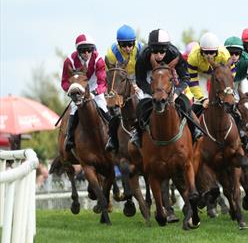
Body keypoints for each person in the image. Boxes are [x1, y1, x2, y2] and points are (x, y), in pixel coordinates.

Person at [133, 29, 202, 147]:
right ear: (150, 49)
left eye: (162, 51)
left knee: (186, 103)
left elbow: (185, 78)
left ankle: (195, 129)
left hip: (168, 83)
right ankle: (137, 134)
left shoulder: (174, 54)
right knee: (141, 106)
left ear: (167, 48)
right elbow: (140, 80)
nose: (159, 55)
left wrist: (176, 93)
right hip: (152, 80)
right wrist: (154, 92)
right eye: (155, 51)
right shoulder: (143, 56)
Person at [61, 34, 116, 152]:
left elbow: (102, 83)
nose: (86, 53)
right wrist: (71, 90)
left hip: (93, 85)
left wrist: (94, 93)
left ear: (93, 49)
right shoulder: (69, 61)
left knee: (102, 105)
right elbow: (64, 82)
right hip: (77, 86)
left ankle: (113, 136)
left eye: (89, 50)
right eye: (83, 50)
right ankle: (70, 138)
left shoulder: (98, 60)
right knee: (74, 107)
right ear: (78, 51)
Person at [104, 24, 143, 152]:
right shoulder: (111, 53)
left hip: (138, 75)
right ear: (118, 44)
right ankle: (113, 138)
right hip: (121, 78)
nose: (127, 48)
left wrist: (139, 84)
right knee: (112, 105)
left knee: (144, 99)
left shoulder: (141, 49)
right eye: (124, 45)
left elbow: (146, 69)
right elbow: (111, 75)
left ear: (134, 42)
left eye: (130, 44)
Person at [187, 32, 235, 112]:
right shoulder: (193, 57)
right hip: (201, 74)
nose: (209, 56)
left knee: (231, 98)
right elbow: (193, 81)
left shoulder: (224, 54)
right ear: (201, 50)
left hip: (219, 74)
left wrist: (227, 90)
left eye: (212, 52)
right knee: (198, 102)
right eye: (206, 52)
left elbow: (231, 73)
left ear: (217, 51)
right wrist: (202, 99)